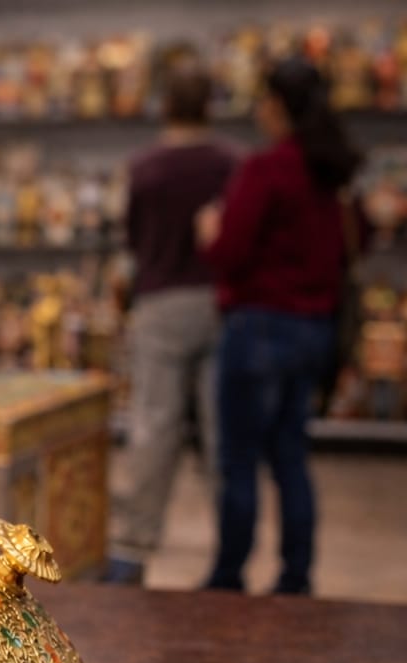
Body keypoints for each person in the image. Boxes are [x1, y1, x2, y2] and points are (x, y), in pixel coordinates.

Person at [197, 57, 363, 596]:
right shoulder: (330, 175)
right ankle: (297, 575)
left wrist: (209, 230)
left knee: (239, 459)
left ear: (276, 105)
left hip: (259, 328)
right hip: (314, 330)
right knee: (291, 456)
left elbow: (230, 251)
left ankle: (229, 574)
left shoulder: (266, 169)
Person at [103, 59, 238, 586]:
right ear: (210, 103)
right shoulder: (231, 163)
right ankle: (232, 549)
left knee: (153, 427)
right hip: (217, 302)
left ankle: (131, 552)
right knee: (221, 430)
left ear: (164, 104)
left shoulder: (144, 168)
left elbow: (132, 242)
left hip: (159, 302)